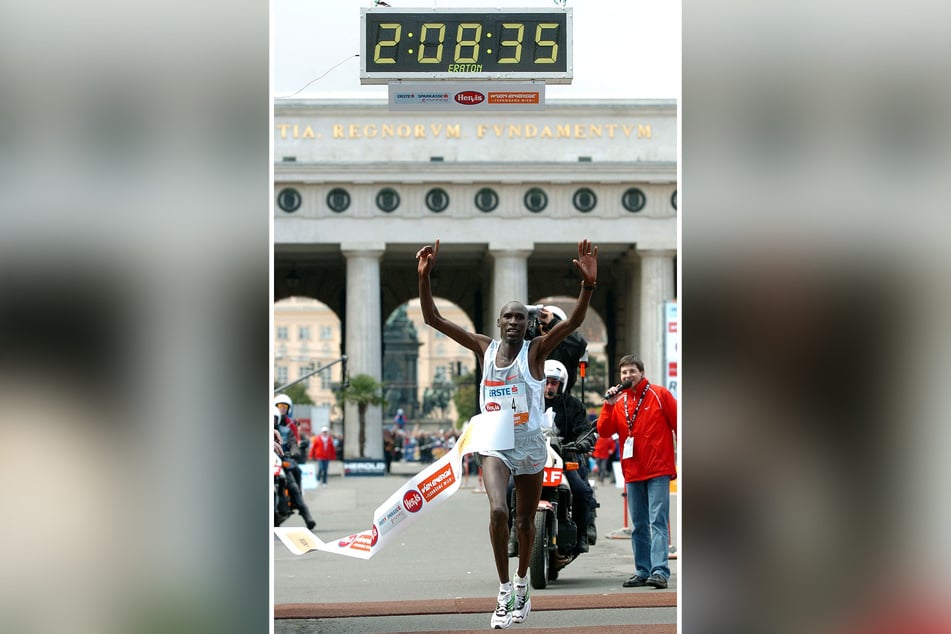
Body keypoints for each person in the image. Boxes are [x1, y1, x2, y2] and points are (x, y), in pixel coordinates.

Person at [416, 238, 598, 629]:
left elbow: (573, 324)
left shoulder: (535, 352)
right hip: (495, 443)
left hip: (530, 445)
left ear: (527, 324)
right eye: (508, 317)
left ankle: (522, 584)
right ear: (499, 323)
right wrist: (425, 278)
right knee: (499, 510)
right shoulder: (484, 349)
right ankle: (502, 590)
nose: (515, 321)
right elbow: (434, 319)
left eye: (520, 317)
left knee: (525, 522)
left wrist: (587, 287)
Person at [598, 355, 677, 590]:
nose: (627, 376)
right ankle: (642, 570)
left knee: (657, 521)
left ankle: (659, 571)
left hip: (658, 469)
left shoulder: (659, 394)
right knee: (639, 524)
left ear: (641, 372)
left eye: (632, 371)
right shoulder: (619, 401)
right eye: (624, 373)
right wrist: (607, 405)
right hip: (632, 472)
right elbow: (603, 431)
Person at [542, 359, 598, 555]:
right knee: (509, 488)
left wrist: (582, 443)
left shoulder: (574, 406)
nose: (549, 386)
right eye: (546, 381)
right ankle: (513, 531)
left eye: (554, 382)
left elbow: (585, 430)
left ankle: (581, 533)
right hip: (533, 460)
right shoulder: (528, 403)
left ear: (562, 384)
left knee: (581, 491)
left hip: (565, 459)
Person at [273, 406, 316, 530]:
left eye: (274, 419)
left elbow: (293, 444)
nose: (271, 421)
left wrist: (294, 452)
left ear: (278, 419)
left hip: (282, 461)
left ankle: (307, 515)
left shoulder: (285, 431)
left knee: (293, 485)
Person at [529, 305, 588, 396]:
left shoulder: (568, 350)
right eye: (544, 328)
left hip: (563, 401)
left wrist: (553, 323)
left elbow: (580, 344)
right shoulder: (532, 346)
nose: (549, 334)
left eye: (553, 330)